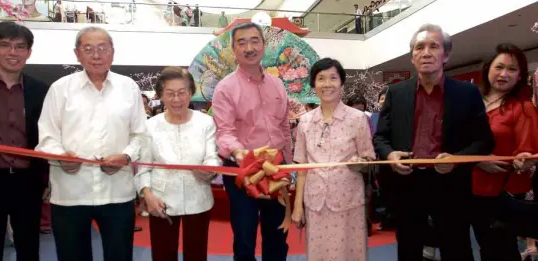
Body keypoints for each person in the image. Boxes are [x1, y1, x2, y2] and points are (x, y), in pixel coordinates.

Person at [373, 23, 494, 261]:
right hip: (408, 182)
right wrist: (389, 155)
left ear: (446, 55)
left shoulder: (466, 94)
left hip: (450, 183)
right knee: (408, 247)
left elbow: (484, 141)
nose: (426, 52)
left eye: (433, 46)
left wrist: (457, 160)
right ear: (412, 56)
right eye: (419, 47)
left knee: (456, 247)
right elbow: (380, 136)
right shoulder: (396, 93)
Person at [35, 26, 147, 261]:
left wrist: (126, 156)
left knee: (120, 256)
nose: (96, 55)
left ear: (112, 52)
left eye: (102, 49)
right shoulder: (60, 89)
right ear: (77, 54)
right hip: (70, 193)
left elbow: (141, 136)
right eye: (88, 49)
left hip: (117, 194)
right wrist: (61, 156)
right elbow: (46, 136)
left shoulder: (129, 88)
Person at [212, 22, 292, 261]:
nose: (249, 47)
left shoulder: (277, 84)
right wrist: (240, 154)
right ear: (233, 49)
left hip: (276, 170)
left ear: (264, 45)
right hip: (241, 171)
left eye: (255, 41)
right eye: (242, 42)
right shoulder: (225, 88)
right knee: (245, 237)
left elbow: (284, 127)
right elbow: (224, 132)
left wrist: (288, 163)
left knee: (277, 235)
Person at [291, 58, 375, 261]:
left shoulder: (357, 118)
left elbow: (369, 159)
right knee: (319, 254)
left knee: (348, 253)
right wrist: (297, 205)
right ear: (313, 85)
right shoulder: (304, 122)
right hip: (315, 202)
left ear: (342, 83)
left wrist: (361, 164)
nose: (327, 84)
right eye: (321, 79)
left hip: (348, 201)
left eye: (333, 78)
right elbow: (301, 165)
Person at [0, 21, 49, 261]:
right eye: (5, 45)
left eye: (20, 47)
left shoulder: (42, 90)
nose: (13, 53)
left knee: (29, 247)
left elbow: (48, 135)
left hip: (28, 180)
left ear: (29, 52)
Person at [136, 67, 221, 261]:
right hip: (161, 200)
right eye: (170, 93)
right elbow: (144, 167)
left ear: (191, 93)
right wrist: (147, 195)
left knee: (197, 255)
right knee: (163, 254)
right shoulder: (150, 126)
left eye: (182, 93)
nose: (177, 99)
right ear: (160, 96)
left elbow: (212, 156)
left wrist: (209, 170)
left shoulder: (206, 122)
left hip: (198, 196)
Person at [470, 43, 538, 261]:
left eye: (512, 69)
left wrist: (524, 160)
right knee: (483, 248)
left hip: (499, 193)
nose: (504, 74)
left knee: (502, 251)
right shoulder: (470, 102)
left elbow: (527, 148)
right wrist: (478, 161)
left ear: (520, 76)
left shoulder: (522, 106)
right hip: (466, 189)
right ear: (488, 68)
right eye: (499, 67)